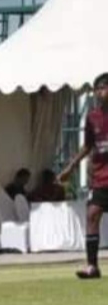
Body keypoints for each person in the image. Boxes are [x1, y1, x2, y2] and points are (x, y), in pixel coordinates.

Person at [59, 70, 108, 279]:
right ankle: (92, 266)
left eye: (103, 88)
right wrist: (71, 167)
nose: (99, 93)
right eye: (97, 89)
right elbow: (88, 146)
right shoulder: (92, 117)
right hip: (101, 178)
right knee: (92, 215)